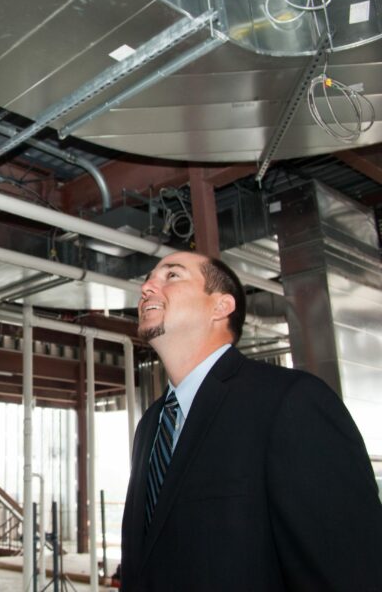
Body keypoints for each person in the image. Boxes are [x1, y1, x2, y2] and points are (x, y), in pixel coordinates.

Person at [120, 250, 382, 591]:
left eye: (172, 275)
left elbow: (349, 572)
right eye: (148, 279)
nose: (146, 288)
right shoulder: (150, 426)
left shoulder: (291, 402)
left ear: (221, 306)